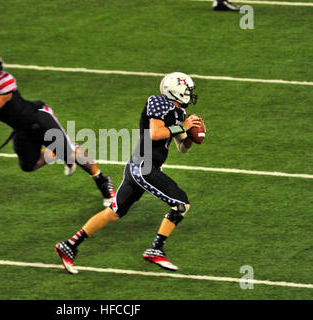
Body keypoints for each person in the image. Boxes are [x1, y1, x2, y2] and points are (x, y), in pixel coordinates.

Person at [55, 72, 204, 274]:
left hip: (143, 166)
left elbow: (182, 148)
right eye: (187, 90)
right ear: (176, 91)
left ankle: (70, 245)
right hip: (144, 166)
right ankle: (156, 249)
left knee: (113, 213)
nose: (190, 94)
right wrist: (182, 127)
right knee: (181, 204)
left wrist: (192, 136)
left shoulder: (179, 113)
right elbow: (155, 133)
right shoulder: (158, 102)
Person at [0, 54, 116, 207]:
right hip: (22, 130)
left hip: (40, 120)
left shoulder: (4, 82)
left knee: (71, 153)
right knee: (28, 165)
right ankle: (57, 153)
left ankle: (103, 181)